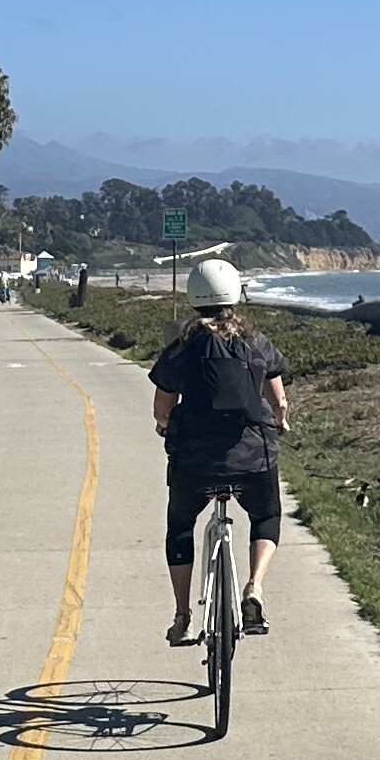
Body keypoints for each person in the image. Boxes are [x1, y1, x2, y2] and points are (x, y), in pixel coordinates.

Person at [152, 257, 288, 644]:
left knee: (180, 528)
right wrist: (280, 422)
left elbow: (162, 407)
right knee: (266, 516)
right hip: (252, 458)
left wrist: (164, 427)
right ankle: (254, 588)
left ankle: (182, 616)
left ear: (193, 296)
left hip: (195, 461)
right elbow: (278, 401)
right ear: (235, 294)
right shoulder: (256, 342)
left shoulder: (181, 346)